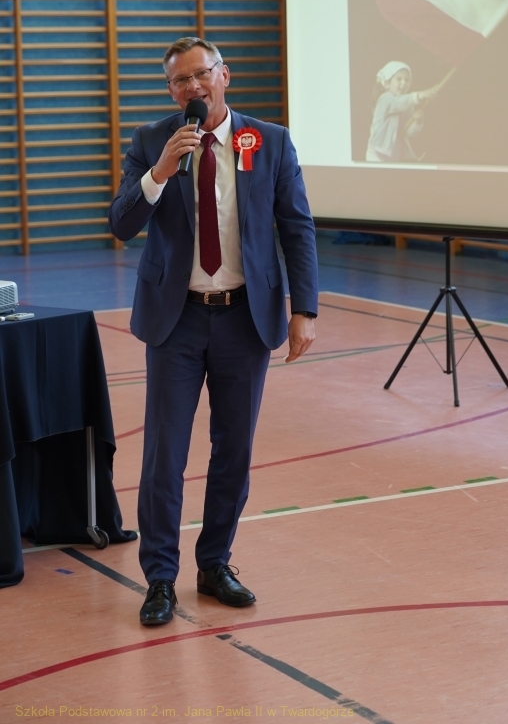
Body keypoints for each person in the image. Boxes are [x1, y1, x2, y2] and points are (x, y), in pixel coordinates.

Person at [108, 36, 318, 627]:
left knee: (235, 452)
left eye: (202, 74)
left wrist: (305, 308)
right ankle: (160, 578)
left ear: (225, 75)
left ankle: (214, 564)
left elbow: (296, 227)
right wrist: (159, 171)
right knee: (164, 455)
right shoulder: (151, 141)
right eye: (180, 80)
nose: (193, 87)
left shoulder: (269, 140)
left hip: (244, 318)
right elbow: (122, 224)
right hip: (175, 319)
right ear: (170, 90)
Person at [365, 61, 453, 163]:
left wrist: (418, 121)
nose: (403, 82)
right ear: (387, 84)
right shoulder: (384, 99)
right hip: (377, 155)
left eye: (407, 80)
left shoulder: (407, 104)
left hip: (394, 154)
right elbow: (399, 103)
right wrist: (422, 94)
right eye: (399, 79)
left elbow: (407, 132)